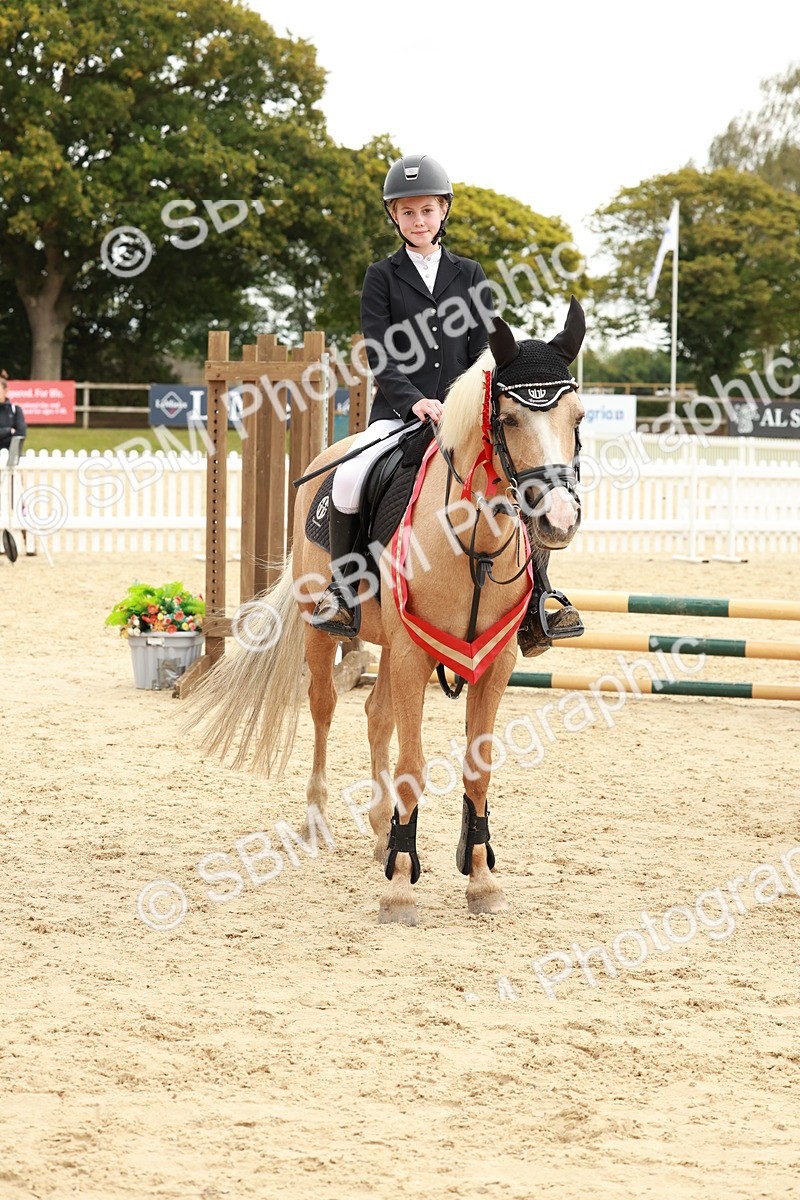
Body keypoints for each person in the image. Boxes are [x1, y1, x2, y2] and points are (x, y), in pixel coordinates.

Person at [312, 153, 492, 636]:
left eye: (427, 210)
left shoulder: (471, 274)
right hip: (399, 414)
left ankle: (541, 597)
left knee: (516, 478)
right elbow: (380, 351)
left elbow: (482, 352)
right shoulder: (382, 276)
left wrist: (456, 404)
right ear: (394, 215)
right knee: (349, 477)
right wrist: (414, 400)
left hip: (462, 419)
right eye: (408, 212)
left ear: (443, 212)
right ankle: (344, 593)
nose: (418, 221)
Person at [0, 371, 27, 454]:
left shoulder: (15, 410)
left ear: (6, 390)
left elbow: (21, 433)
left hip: (11, 456)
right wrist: (9, 431)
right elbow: (13, 432)